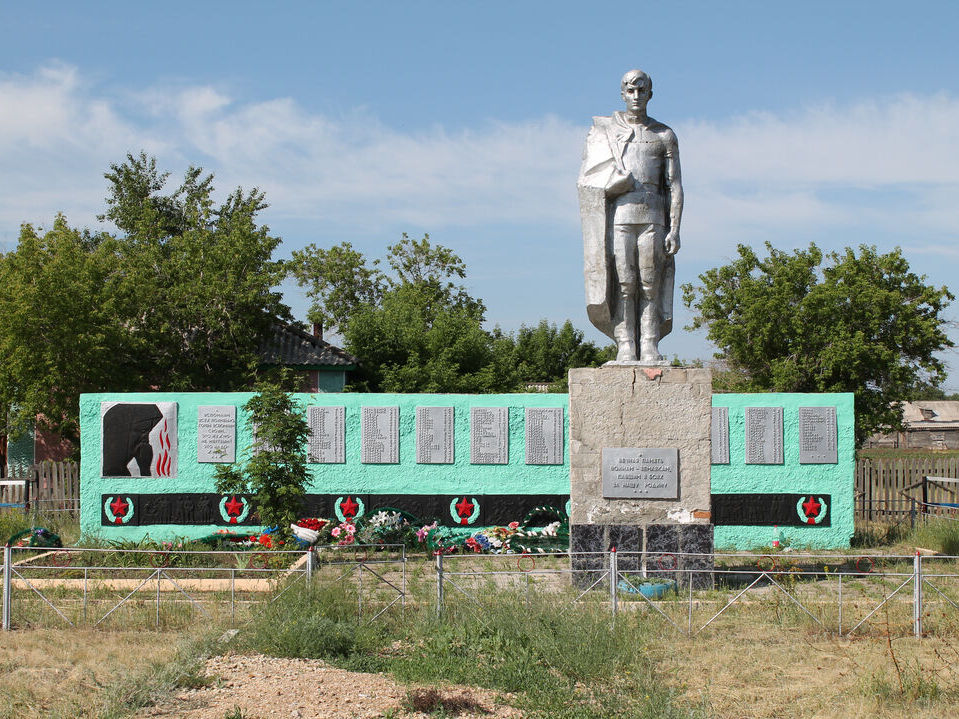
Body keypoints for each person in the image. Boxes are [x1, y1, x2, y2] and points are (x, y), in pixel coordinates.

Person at [577, 69, 683, 362]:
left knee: (650, 282)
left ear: (650, 93)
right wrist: (613, 185)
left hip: (653, 217)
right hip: (620, 216)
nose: (636, 96)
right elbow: (587, 180)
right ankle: (626, 343)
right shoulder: (606, 133)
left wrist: (674, 229)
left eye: (642, 90)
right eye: (630, 90)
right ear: (622, 94)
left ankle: (649, 343)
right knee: (625, 282)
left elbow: (674, 186)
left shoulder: (664, 135)